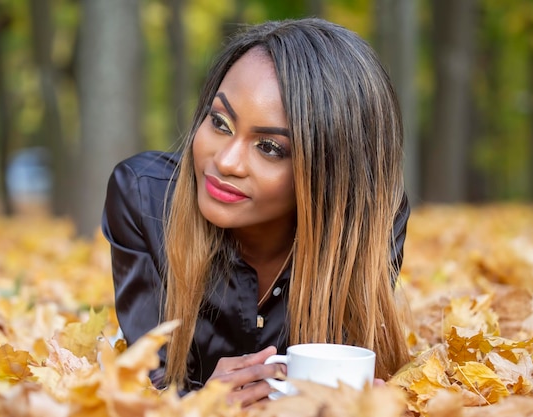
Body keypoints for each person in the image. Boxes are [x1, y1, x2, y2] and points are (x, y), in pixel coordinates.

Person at [102, 17, 410, 407]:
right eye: (219, 122)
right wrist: (199, 404)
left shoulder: (367, 221)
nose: (226, 161)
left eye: (269, 147)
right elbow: (148, 383)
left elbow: (340, 372)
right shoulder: (142, 196)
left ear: (332, 173)